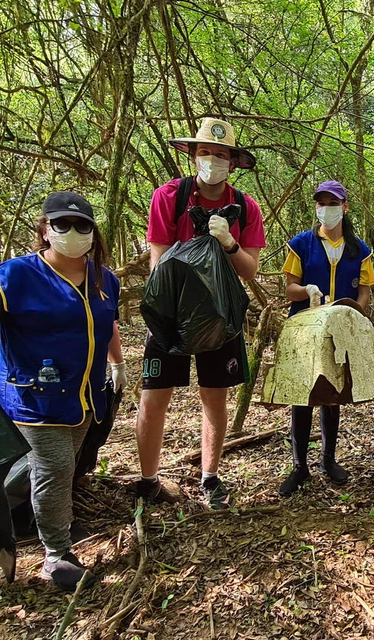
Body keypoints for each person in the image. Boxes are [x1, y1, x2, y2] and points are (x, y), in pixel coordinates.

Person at [0, 191, 124, 591]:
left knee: (56, 465)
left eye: (82, 225)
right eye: (62, 224)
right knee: (57, 466)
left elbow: (108, 324)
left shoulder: (103, 278)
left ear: (93, 232)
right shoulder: (13, 276)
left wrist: (118, 364)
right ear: (45, 228)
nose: (72, 232)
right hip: (34, 396)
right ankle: (56, 555)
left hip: (85, 395)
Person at [134, 118, 266, 509]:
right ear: (193, 155)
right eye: (206, 152)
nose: (213, 160)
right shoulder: (170, 197)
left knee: (214, 396)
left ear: (233, 162)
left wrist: (227, 242)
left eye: (221, 155)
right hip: (172, 312)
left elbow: (249, 270)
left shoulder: (245, 207)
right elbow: (159, 262)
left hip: (221, 316)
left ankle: (210, 477)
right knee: (153, 397)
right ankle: (147, 481)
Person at [277, 180, 374, 496]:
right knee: (302, 397)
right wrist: (306, 290)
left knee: (332, 395)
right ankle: (299, 466)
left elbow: (364, 292)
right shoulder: (301, 244)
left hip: (340, 331)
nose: (326, 209)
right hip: (304, 329)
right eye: (321, 203)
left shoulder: (359, 249)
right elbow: (289, 287)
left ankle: (329, 460)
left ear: (345, 207)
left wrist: (353, 315)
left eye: (333, 203)